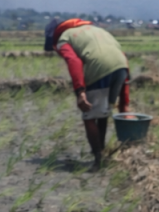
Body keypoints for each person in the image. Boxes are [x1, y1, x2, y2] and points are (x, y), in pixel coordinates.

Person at [44, 18, 132, 168]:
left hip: (100, 68)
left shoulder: (63, 38)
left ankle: (98, 159)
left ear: (54, 35)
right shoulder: (98, 30)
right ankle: (103, 151)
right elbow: (120, 54)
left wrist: (80, 91)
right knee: (102, 111)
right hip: (122, 66)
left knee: (89, 114)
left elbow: (74, 62)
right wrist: (125, 102)